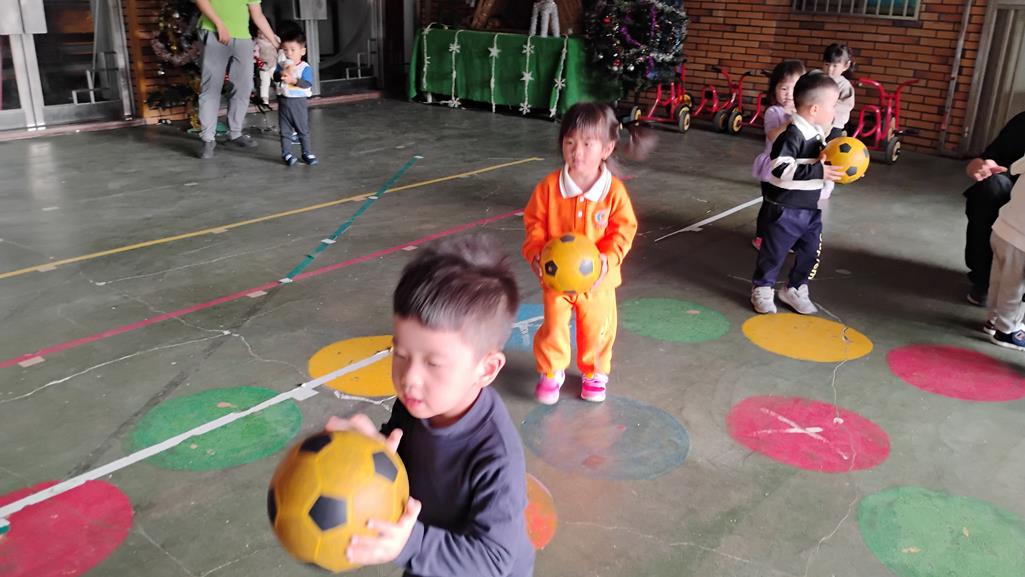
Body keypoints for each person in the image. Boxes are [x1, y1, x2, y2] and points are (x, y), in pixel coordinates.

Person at [325, 234, 535, 577]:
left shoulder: (497, 456)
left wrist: (410, 545)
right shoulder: (414, 404)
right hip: (426, 558)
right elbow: (399, 454)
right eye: (401, 354)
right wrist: (370, 450)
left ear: (486, 369)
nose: (410, 378)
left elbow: (494, 559)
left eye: (434, 363)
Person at [523, 102, 652, 405]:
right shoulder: (548, 188)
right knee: (554, 326)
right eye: (570, 142)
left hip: (599, 281)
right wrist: (536, 252)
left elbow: (623, 229)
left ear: (606, 148)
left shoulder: (613, 192)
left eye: (586, 144)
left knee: (598, 327)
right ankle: (551, 370)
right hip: (556, 279)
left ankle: (594, 372)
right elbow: (534, 225)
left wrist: (609, 257)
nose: (576, 152)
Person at [751, 73, 844, 315]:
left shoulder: (816, 132)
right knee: (774, 253)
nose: (835, 111)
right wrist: (818, 170)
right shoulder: (792, 134)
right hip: (784, 209)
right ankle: (762, 287)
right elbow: (780, 168)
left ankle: (795, 288)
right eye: (833, 105)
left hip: (810, 208)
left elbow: (814, 163)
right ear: (815, 109)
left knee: (811, 253)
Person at [194, 0, 278, 159]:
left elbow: (257, 15)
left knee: (243, 87)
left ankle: (235, 133)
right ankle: (208, 139)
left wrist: (274, 41)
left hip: (242, 37)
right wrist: (219, 24)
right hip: (213, 32)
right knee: (211, 87)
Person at [963, 110, 1025, 306]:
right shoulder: (1022, 123)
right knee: (990, 188)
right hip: (1015, 199)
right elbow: (982, 161)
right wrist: (980, 167)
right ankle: (984, 279)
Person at [752, 59, 806, 251]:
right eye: (783, 88)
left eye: (794, 88)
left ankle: (782, 238)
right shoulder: (773, 112)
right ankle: (761, 237)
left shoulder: (802, 113)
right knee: (770, 205)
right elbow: (773, 136)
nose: (788, 94)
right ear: (774, 89)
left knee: (788, 207)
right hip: (773, 166)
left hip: (792, 167)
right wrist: (790, 121)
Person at [984, 155, 1025, 349]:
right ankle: (1007, 331)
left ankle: (992, 320)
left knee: (999, 281)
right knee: (1015, 288)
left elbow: (1015, 168)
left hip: (1002, 229)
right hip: (1021, 240)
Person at [273, 28, 317, 166]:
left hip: (298, 102)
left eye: (293, 50)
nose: (289, 53)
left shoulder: (305, 67)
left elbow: (307, 83)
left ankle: (307, 152)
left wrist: (293, 80)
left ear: (302, 51)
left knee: (302, 129)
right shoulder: (281, 65)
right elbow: (275, 76)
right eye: (285, 50)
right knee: (285, 130)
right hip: (283, 102)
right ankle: (286, 153)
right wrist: (281, 73)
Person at [819, 43, 854, 200]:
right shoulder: (817, 79)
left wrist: (827, 106)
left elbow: (845, 106)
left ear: (846, 66)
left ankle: (828, 184)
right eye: (827, 65)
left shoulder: (845, 86)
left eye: (834, 66)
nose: (830, 70)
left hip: (834, 126)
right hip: (817, 124)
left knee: (830, 156)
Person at [253, 27, 277, 105]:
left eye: (263, 33)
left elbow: (280, 46)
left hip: (273, 64)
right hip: (263, 66)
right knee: (265, 82)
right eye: (259, 33)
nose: (261, 35)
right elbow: (254, 53)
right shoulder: (257, 42)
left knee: (277, 80)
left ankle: (281, 93)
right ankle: (264, 98)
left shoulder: (274, 39)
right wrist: (255, 59)